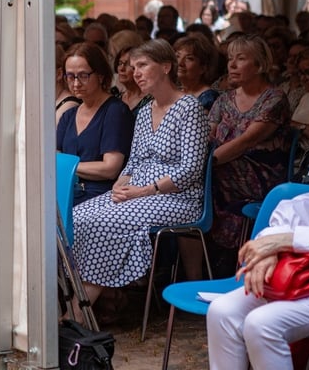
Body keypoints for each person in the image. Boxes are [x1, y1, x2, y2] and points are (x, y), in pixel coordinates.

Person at [70, 39, 208, 318]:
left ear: (166, 67)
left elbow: (191, 169)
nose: (136, 73)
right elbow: (134, 160)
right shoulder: (145, 111)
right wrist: (122, 183)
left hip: (177, 198)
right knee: (76, 216)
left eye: (143, 65)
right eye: (134, 68)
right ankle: (95, 297)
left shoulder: (189, 108)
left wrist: (145, 191)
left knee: (102, 221)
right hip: (139, 191)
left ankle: (78, 313)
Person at [207, 160, 309, 370]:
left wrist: (287, 240)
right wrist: (272, 245)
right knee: (222, 311)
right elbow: (298, 209)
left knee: (262, 324)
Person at [208, 35, 291, 273]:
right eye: (230, 59)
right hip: (222, 170)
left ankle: (220, 260)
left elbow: (246, 141)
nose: (231, 65)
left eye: (241, 59)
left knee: (196, 184)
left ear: (260, 64)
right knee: (187, 185)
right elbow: (207, 135)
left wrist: (206, 164)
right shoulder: (224, 99)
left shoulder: (274, 99)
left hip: (259, 176)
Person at [57, 43, 133, 205]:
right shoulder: (68, 116)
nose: (76, 83)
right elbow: (54, 160)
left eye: (83, 75)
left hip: (100, 196)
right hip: (65, 192)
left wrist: (67, 165)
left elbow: (110, 169)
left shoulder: (115, 112)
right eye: (70, 76)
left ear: (100, 75)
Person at [173, 33, 220, 113]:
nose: (180, 63)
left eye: (189, 58)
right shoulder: (175, 92)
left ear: (203, 67)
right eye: (178, 56)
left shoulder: (209, 98)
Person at [114, 46, 152, 118]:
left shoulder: (150, 101)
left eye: (128, 64)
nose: (121, 68)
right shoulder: (115, 98)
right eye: (120, 63)